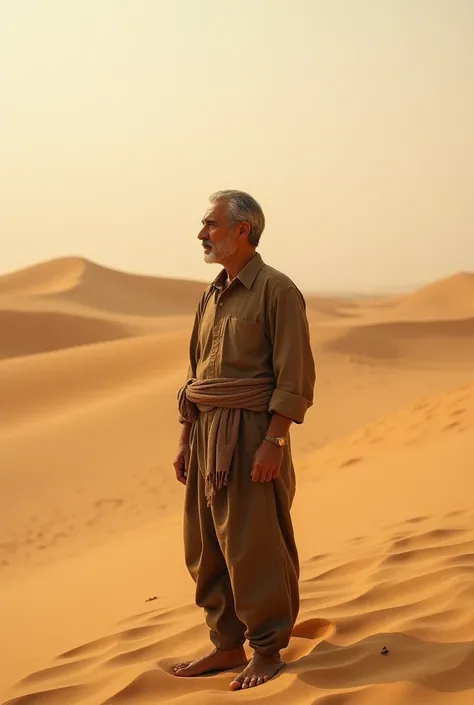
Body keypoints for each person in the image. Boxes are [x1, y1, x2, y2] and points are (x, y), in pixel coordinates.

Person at [172, 190, 316, 691]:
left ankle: (268, 648)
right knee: (205, 544)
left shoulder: (277, 290)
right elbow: (197, 374)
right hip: (207, 432)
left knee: (254, 544)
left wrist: (274, 441)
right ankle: (226, 645)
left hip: (254, 431)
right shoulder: (212, 294)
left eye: (211, 224)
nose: (202, 234)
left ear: (243, 230)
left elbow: (294, 374)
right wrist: (187, 439)